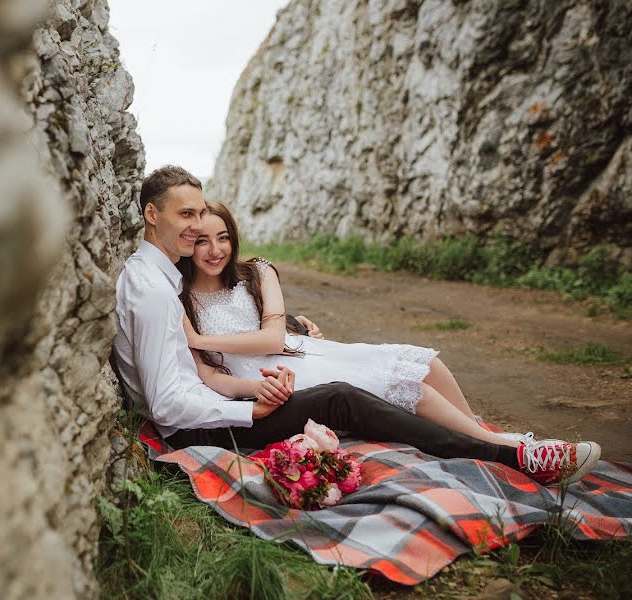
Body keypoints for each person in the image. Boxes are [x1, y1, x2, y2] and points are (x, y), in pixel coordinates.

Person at [112, 165, 600, 486]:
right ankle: (510, 458)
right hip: (204, 425)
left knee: (404, 365)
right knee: (344, 395)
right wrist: (250, 408)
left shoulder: (166, 277)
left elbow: (228, 322)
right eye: (187, 216)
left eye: (202, 214)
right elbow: (166, 403)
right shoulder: (156, 291)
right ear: (152, 215)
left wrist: (292, 329)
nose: (198, 228)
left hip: (236, 392)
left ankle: (498, 442)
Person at [178, 201, 553, 452]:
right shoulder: (181, 300)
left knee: (427, 365)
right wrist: (248, 380)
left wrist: (200, 338)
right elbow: (209, 374)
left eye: (223, 238)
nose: (215, 250)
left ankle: (486, 437)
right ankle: (508, 450)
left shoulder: (257, 272)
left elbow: (274, 335)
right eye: (202, 241)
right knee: (409, 390)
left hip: (300, 352)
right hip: (272, 377)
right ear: (187, 246)